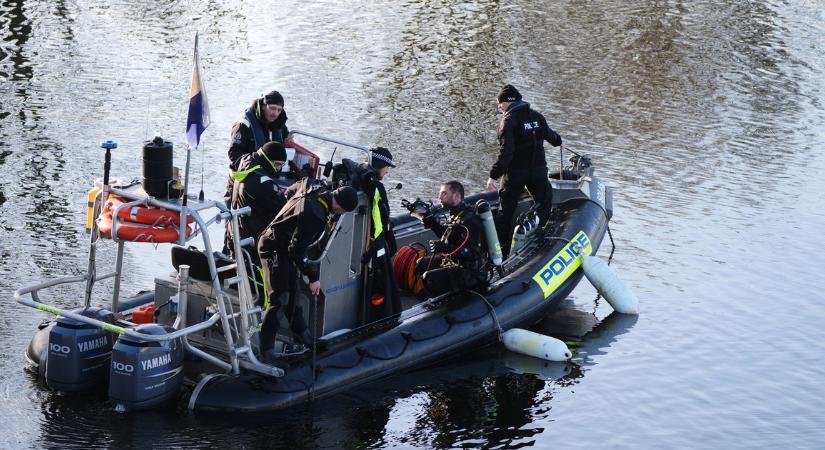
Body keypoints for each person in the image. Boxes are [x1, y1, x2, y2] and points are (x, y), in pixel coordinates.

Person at [257, 182, 359, 356]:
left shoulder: (314, 187)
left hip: (284, 247)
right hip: (273, 248)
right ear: (339, 207)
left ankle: (303, 336)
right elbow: (296, 252)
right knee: (280, 297)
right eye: (343, 212)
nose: (341, 215)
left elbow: (289, 191)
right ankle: (265, 350)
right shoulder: (315, 216)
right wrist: (312, 278)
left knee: (294, 293)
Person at [486, 84, 562, 257]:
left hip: (515, 174)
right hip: (538, 172)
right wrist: (559, 141)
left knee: (505, 212)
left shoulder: (509, 121)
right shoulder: (537, 117)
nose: (499, 108)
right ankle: (538, 237)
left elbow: (506, 153)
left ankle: (502, 251)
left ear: (507, 102)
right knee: (544, 202)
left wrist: (493, 175)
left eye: (500, 104)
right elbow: (551, 136)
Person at [333, 147, 401, 321]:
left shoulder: (354, 177)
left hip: (351, 242)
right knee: (381, 284)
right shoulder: (376, 187)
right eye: (387, 167)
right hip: (372, 246)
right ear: (381, 165)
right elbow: (380, 221)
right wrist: (381, 245)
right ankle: (378, 319)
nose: (387, 171)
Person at [225, 142, 289, 303]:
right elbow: (285, 207)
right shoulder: (263, 182)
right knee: (264, 289)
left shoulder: (246, 162)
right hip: (254, 241)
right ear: (268, 160)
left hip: (237, 232)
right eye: (277, 165)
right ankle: (261, 320)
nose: (279, 169)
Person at [414, 180, 488, 297]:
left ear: (456, 196)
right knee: (419, 264)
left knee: (429, 278)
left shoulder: (469, 220)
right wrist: (433, 224)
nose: (440, 197)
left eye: (444, 193)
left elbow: (473, 253)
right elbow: (449, 236)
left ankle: (451, 300)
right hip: (453, 260)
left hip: (469, 272)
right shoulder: (455, 214)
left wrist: (445, 248)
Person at [228, 90, 290, 170]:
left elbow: (285, 140)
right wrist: (253, 166)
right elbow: (234, 153)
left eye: (279, 110)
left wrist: (287, 143)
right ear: (263, 106)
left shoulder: (279, 124)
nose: (275, 114)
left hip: (273, 170)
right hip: (250, 171)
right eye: (272, 108)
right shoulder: (243, 125)